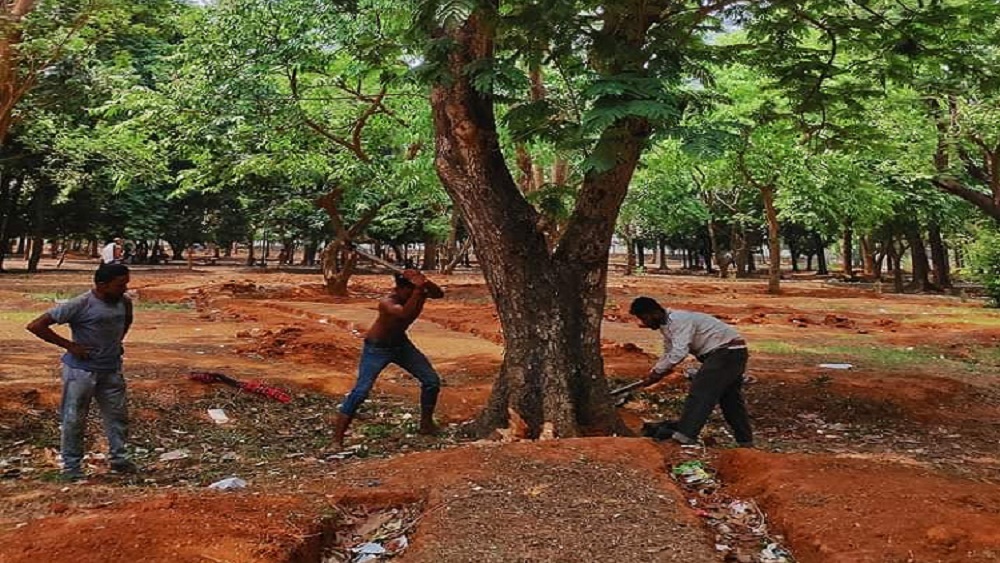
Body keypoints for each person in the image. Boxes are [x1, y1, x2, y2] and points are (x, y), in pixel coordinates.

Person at [26, 264, 137, 480]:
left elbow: (126, 320)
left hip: (111, 369)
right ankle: (71, 467)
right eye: (119, 285)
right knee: (74, 418)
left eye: (125, 284)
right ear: (102, 285)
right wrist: (70, 346)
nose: (124, 289)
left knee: (117, 416)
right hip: (81, 372)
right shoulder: (80, 303)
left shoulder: (124, 302)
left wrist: (117, 341)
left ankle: (119, 459)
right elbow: (36, 325)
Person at [330, 269, 444, 452]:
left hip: (401, 345)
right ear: (399, 289)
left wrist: (424, 282)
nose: (410, 295)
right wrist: (418, 289)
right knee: (361, 392)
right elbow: (405, 314)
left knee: (431, 381)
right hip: (377, 348)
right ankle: (336, 439)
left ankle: (426, 424)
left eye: (413, 290)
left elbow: (439, 294)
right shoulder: (387, 302)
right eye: (408, 291)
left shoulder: (419, 290)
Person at [629, 296, 753, 447]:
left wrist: (658, 372)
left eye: (644, 318)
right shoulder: (667, 326)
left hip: (726, 352)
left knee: (701, 391)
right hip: (729, 354)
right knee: (730, 399)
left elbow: (679, 352)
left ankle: (685, 436)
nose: (644, 323)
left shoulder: (679, 320)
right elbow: (669, 353)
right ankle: (745, 441)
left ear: (654, 313)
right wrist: (656, 372)